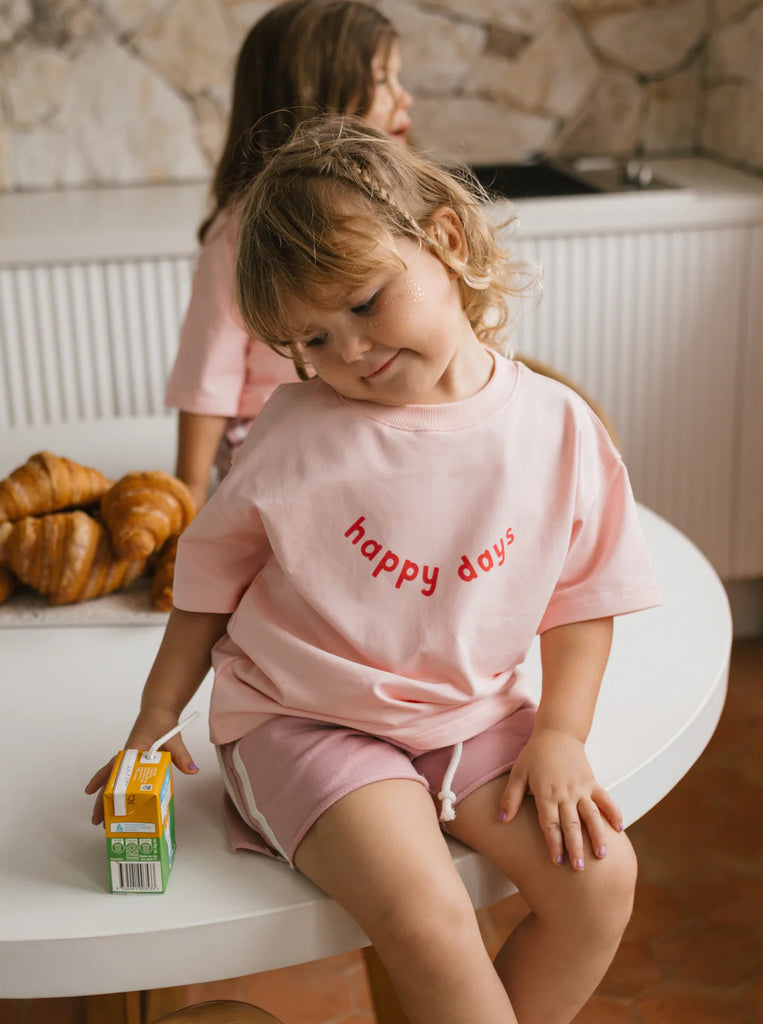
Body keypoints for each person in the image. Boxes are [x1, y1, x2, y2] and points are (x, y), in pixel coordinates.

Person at [88, 117, 661, 1024]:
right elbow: (207, 580)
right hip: (301, 721)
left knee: (598, 881)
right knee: (429, 918)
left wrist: (559, 735)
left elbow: (584, 595)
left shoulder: (559, 427)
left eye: (361, 304)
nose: (345, 353)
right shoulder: (292, 431)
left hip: (468, 715)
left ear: (443, 238)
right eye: (310, 342)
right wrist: (156, 718)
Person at [165, 0, 413, 508]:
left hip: (368, 406)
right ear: (316, 99)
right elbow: (207, 374)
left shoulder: (400, 211)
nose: (404, 97)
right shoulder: (242, 235)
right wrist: (188, 493)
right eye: (383, 80)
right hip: (274, 426)